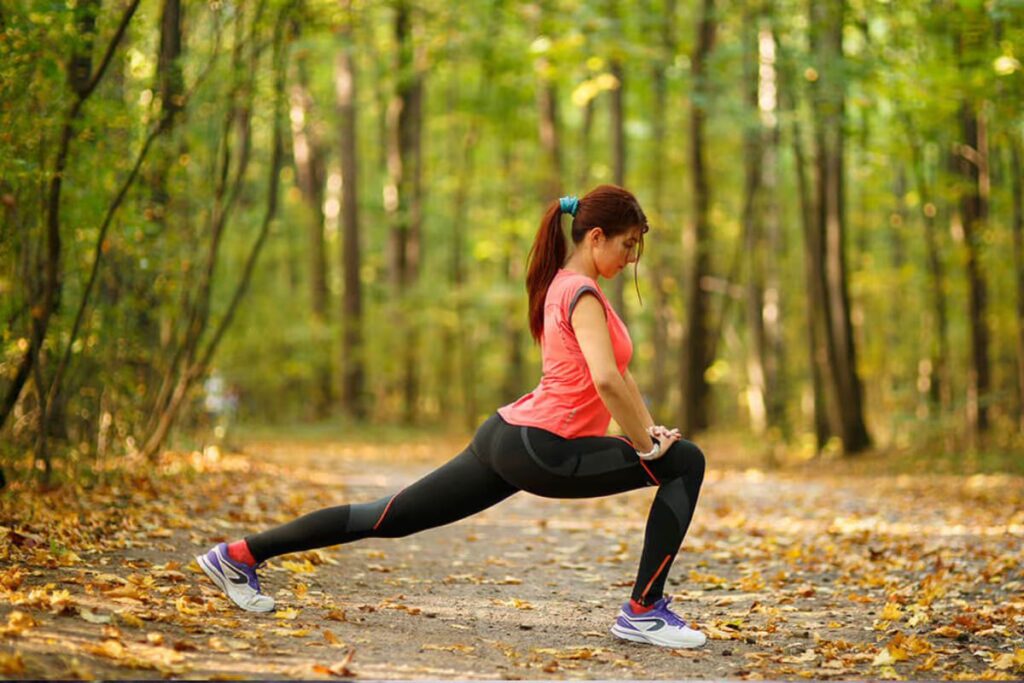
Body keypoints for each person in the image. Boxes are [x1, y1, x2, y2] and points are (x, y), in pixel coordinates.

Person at [195, 185, 707, 649]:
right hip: (542, 447)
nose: (631, 257)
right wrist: (648, 447)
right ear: (596, 237)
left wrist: (651, 431)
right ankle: (642, 610)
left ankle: (238, 555)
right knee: (686, 464)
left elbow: (621, 375)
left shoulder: (566, 286)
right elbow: (606, 382)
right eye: (627, 245)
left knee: (389, 517)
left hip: (508, 438)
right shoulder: (584, 294)